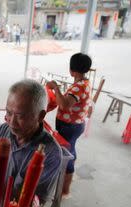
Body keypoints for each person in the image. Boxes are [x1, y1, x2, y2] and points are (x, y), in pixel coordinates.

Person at [0, 80, 62, 204]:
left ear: (40, 116)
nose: (12, 122)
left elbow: (34, 201)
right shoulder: (0, 132)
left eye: (20, 116)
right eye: (9, 113)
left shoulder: (50, 153)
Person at [46, 53, 92, 198]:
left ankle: (65, 191)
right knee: (70, 151)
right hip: (73, 125)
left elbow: (65, 105)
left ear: (72, 70)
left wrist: (55, 89)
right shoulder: (83, 83)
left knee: (67, 156)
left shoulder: (79, 87)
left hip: (70, 127)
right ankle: (64, 187)